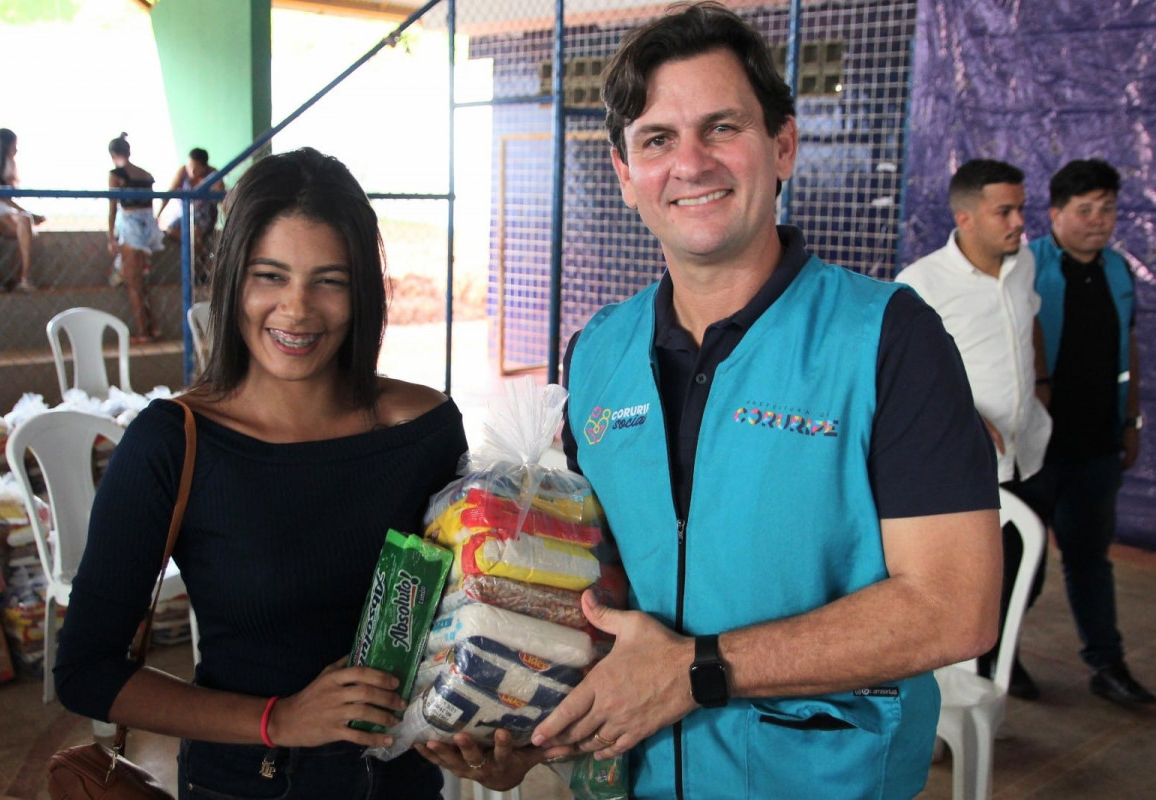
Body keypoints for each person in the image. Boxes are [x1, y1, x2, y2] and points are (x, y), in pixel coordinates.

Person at [420, 5, 1001, 798]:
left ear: (783, 146)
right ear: (625, 175)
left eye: (721, 128)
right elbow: (601, 589)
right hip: (642, 779)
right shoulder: (599, 354)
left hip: (825, 781)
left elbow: (955, 607)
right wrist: (536, 725)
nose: (690, 163)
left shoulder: (886, 338)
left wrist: (697, 671)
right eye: (658, 139)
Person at [54, 147, 471, 796]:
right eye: (269, 275)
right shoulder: (174, 443)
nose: (297, 309)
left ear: (362, 291)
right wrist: (280, 719)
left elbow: (464, 616)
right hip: (249, 783)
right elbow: (85, 671)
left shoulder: (425, 429)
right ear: (232, 280)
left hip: (401, 784)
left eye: (329, 280)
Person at [896, 158, 1051, 700]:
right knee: (968, 587)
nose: (1019, 223)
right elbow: (903, 375)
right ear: (964, 218)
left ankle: (996, 663)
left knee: (1028, 572)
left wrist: (1042, 385)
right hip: (968, 464)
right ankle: (957, 687)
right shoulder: (921, 283)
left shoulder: (1023, 263)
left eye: (1021, 209)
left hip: (1027, 452)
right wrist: (968, 416)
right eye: (1004, 211)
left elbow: (1029, 323)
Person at [1029, 158, 1154, 707]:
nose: (1099, 220)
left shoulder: (1118, 271)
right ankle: (998, 660)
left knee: (1090, 559)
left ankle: (1107, 664)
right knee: (1022, 561)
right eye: (1086, 210)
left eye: (1107, 209)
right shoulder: (1025, 267)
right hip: (1036, 448)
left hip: (1097, 445)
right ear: (1056, 214)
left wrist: (1131, 421)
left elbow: (1128, 351)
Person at [107, 132, 163, 342]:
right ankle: (153, 327)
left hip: (131, 229)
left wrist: (111, 236)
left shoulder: (117, 174)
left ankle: (142, 332)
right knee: (142, 283)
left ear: (112, 154)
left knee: (133, 284)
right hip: (148, 229)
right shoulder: (145, 175)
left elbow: (113, 207)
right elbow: (149, 207)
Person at [0, 128, 44, 291]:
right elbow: (1, 197)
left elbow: (11, 196)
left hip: (7, 211)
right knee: (25, 220)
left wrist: (27, 214)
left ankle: (23, 277)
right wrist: (29, 213)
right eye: (14, 145)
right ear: (4, 146)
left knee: (25, 224)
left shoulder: (9, 165)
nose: (16, 150)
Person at [157, 147, 226, 286]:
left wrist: (229, 221)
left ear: (204, 167)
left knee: (196, 236)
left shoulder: (213, 175)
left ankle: (196, 274)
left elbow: (222, 199)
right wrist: (158, 215)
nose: (192, 171)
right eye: (190, 166)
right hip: (186, 214)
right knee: (171, 230)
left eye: (195, 168)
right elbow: (169, 193)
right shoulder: (183, 172)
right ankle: (199, 260)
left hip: (205, 215)